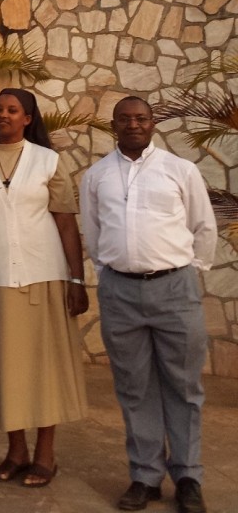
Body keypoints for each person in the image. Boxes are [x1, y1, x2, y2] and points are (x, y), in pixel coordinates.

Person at [80, 96, 217, 513]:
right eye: (125, 119)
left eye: (141, 118)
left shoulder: (180, 170)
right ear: (114, 125)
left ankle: (188, 476)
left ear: (153, 123)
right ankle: (145, 477)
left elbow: (203, 225)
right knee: (134, 388)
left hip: (175, 290)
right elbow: (93, 232)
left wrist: (188, 271)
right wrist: (112, 275)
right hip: (120, 294)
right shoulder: (96, 176)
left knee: (183, 386)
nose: (134, 124)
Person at [0, 88, 88, 487]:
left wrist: (76, 278)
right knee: (7, 368)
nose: (3, 114)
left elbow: (66, 223)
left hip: (44, 274)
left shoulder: (48, 161)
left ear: (28, 118)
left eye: (12, 110)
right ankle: (16, 451)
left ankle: (46, 455)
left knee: (45, 368)